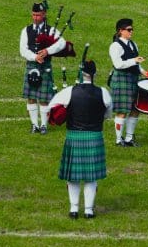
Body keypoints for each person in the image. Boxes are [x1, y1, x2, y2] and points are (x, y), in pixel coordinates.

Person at [48, 60, 112, 218]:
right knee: (91, 177)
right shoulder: (104, 93)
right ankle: (89, 210)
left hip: (74, 136)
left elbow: (51, 106)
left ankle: (74, 209)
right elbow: (108, 114)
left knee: (73, 176)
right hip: (95, 136)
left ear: (81, 73)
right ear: (95, 74)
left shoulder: (69, 91)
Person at [19, 2, 65, 134]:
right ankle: (34, 125)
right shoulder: (26, 30)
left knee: (44, 98)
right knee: (31, 97)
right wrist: (35, 57)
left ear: (44, 15)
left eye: (38, 15)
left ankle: (44, 125)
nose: (35, 18)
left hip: (45, 67)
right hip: (32, 65)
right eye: (33, 15)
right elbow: (23, 50)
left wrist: (48, 51)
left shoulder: (51, 30)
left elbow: (61, 43)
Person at [108, 18, 147, 146]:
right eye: (129, 30)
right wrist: (134, 61)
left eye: (132, 29)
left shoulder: (133, 44)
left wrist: (143, 72)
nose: (131, 32)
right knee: (122, 110)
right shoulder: (115, 46)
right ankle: (119, 140)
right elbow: (118, 64)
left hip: (134, 79)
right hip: (121, 80)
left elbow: (136, 62)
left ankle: (129, 138)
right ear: (120, 31)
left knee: (135, 109)